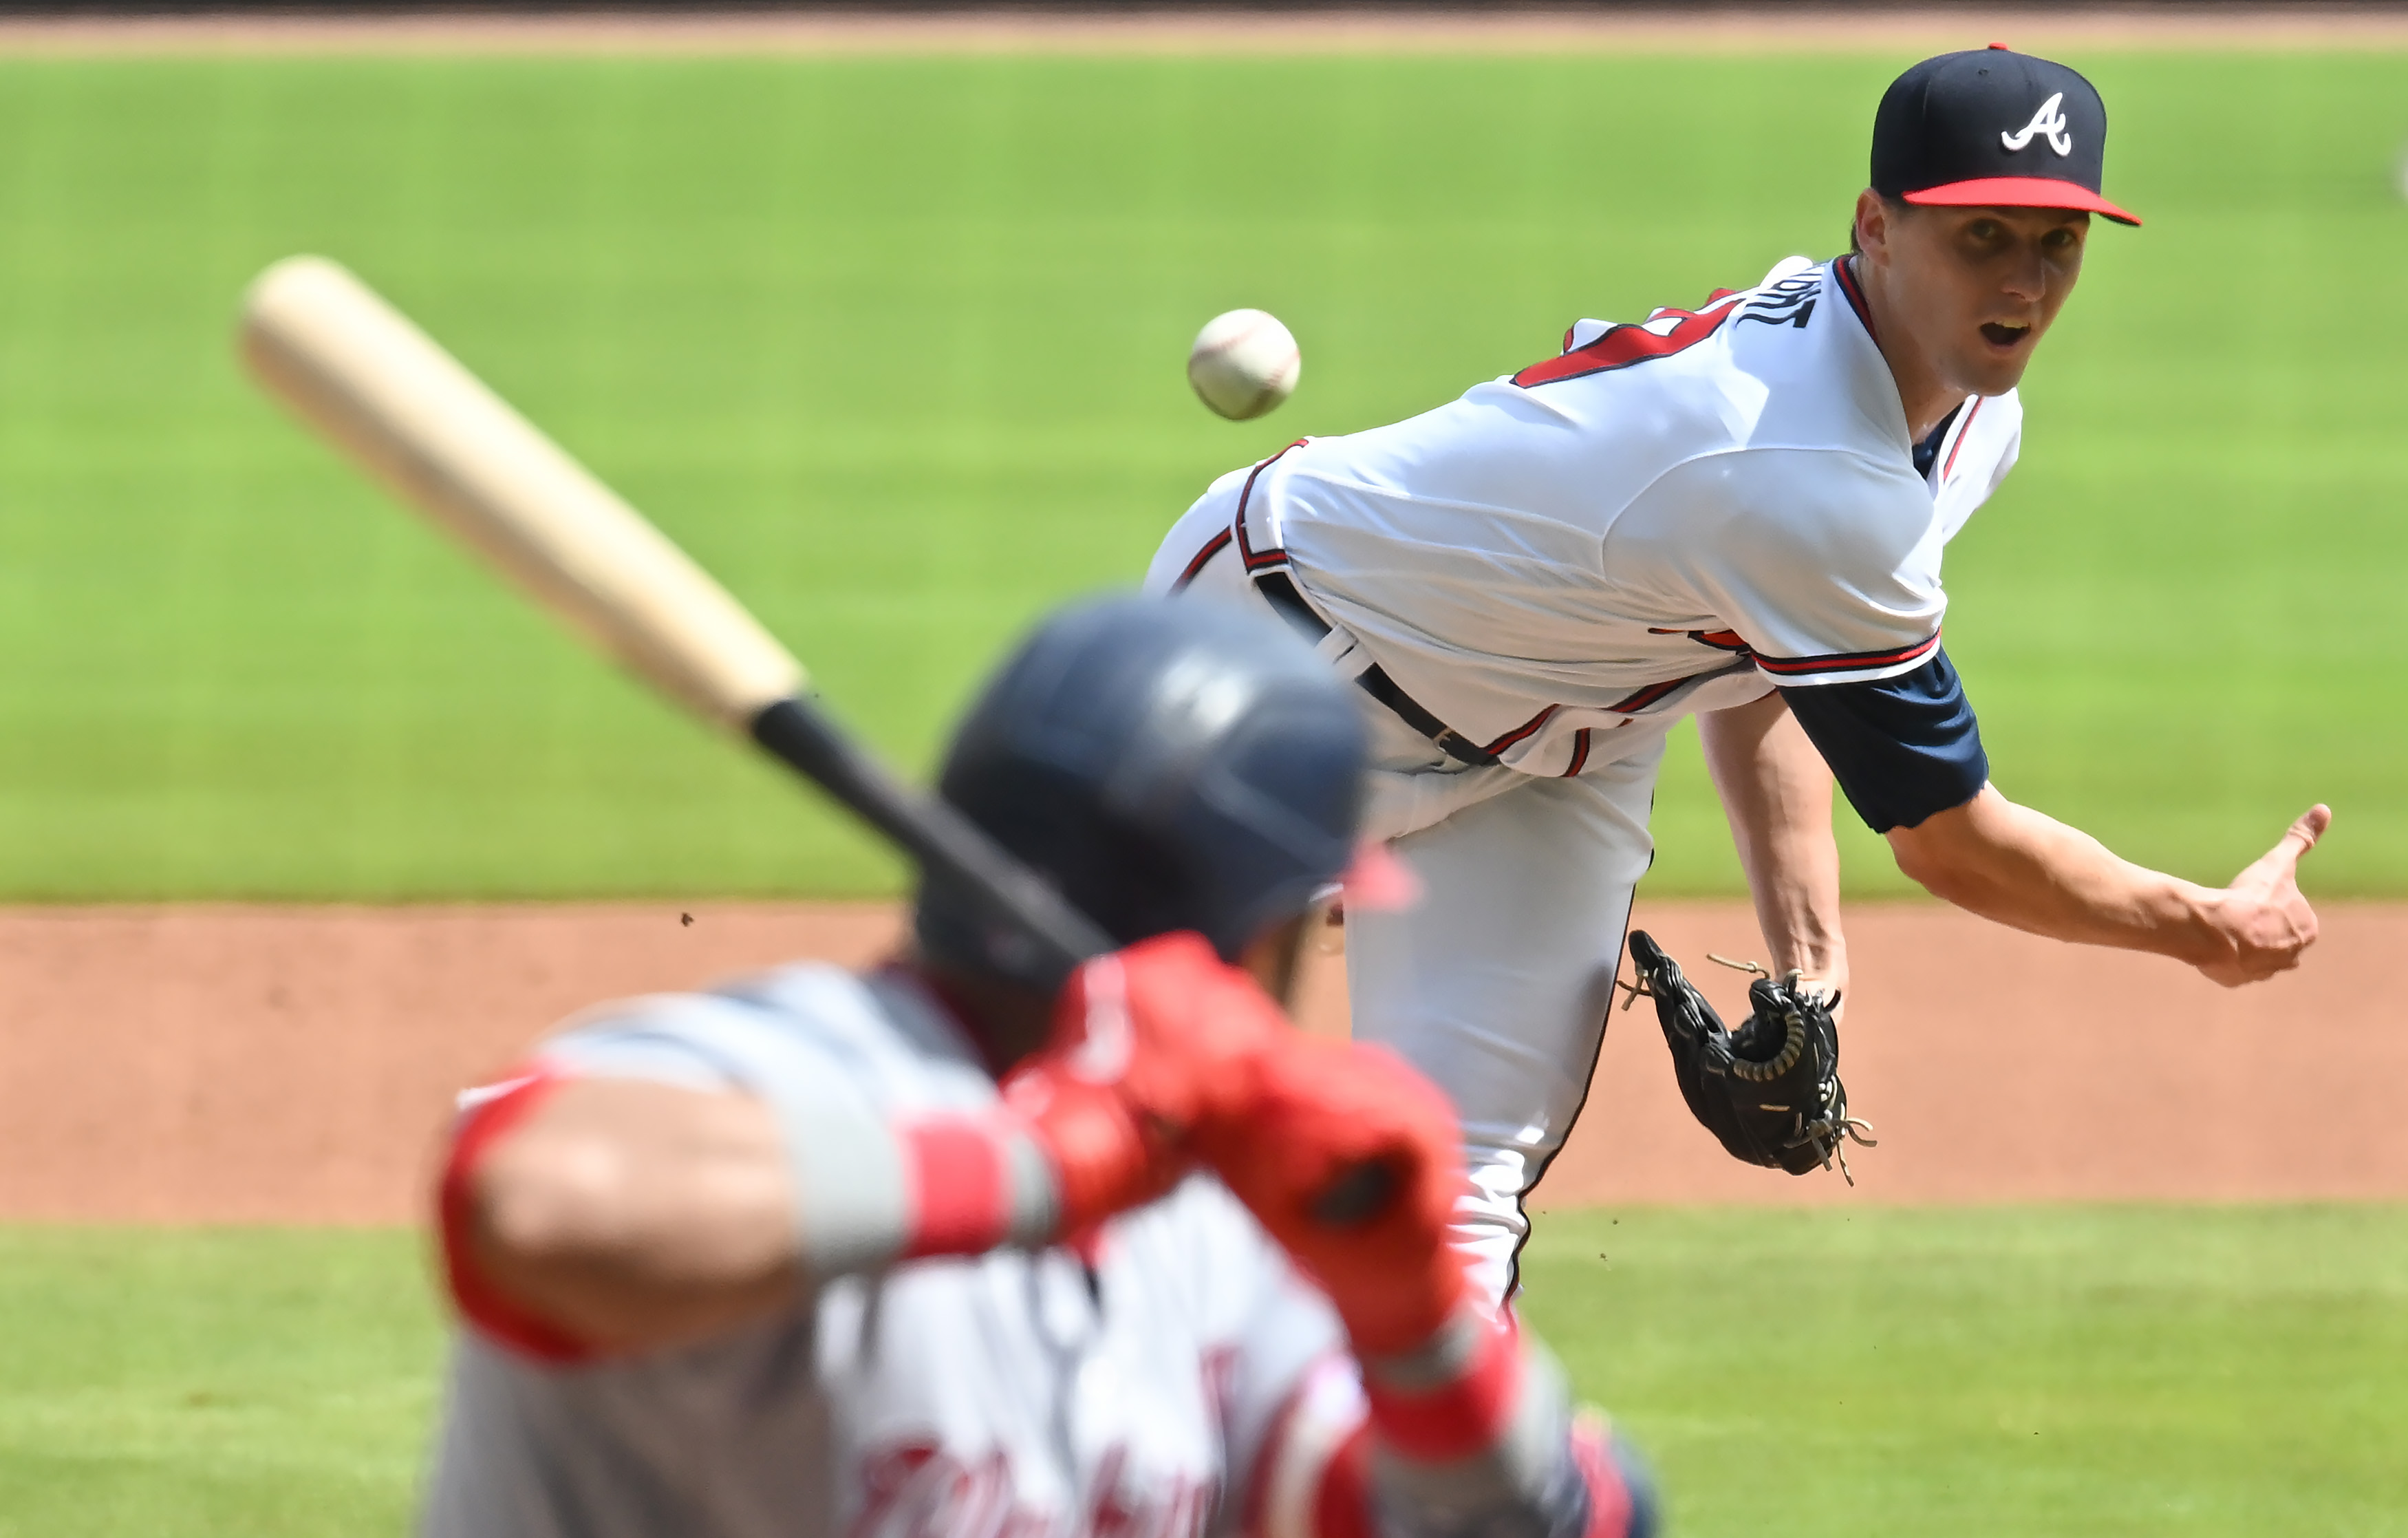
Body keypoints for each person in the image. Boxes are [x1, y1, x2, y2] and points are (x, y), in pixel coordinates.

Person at [1146, 46, 2328, 1302]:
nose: (2026, 286)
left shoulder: (1965, 416)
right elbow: (1949, 842)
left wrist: (1805, 971)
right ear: (1876, 226)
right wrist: (2203, 927)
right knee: (1119, 1098)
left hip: (1568, 738)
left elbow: (1771, 665)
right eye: (1983, 236)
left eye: (2058, 244)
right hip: (1276, 661)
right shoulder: (1800, 463)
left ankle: (1433, 1498)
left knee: (1452, 1197)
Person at [419, 595, 1657, 1538]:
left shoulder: (1215, 1223)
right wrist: (1055, 1157)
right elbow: (533, 1206)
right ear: (1254, 931)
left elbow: (1559, 1517)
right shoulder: (778, 1075)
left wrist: (1414, 1318)